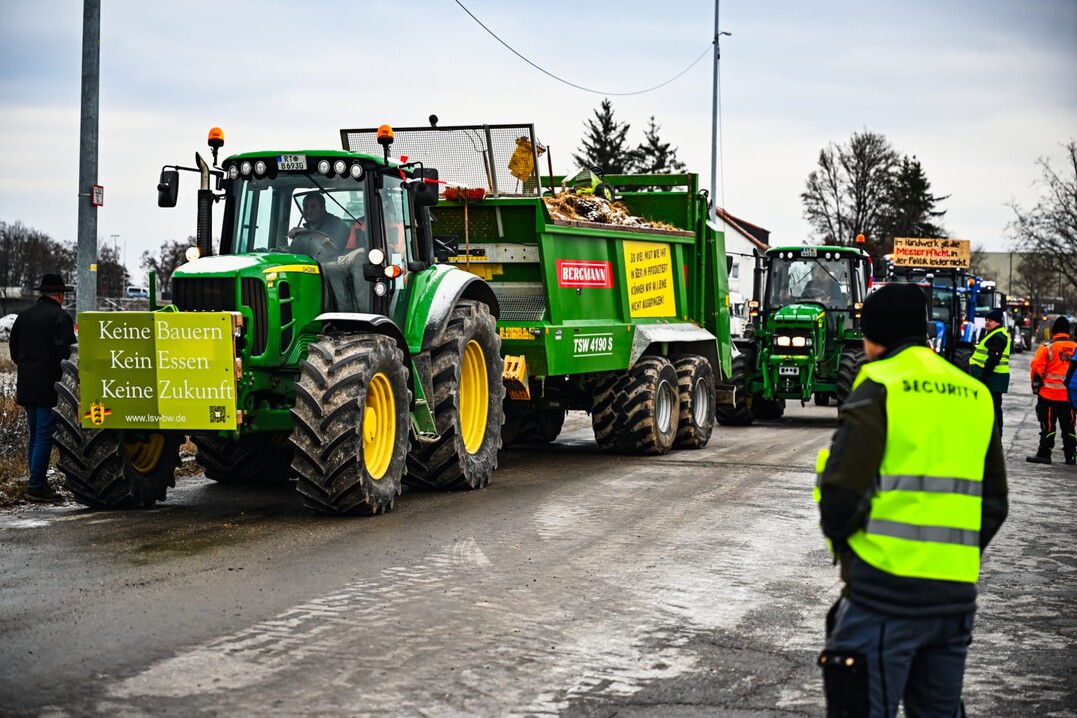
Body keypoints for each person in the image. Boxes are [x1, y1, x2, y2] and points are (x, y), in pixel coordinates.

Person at [814, 282, 1008, 717]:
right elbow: (995, 503)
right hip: (954, 601)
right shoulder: (974, 394)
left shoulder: (880, 384)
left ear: (874, 335)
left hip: (883, 597)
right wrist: (949, 558)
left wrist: (856, 562)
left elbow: (842, 494)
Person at [9, 274, 77, 502]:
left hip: (27, 383)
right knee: (44, 434)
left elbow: (14, 352)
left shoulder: (24, 316)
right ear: (59, 295)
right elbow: (66, 356)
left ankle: (35, 480)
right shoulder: (61, 318)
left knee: (35, 433)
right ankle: (37, 485)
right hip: (49, 384)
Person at [1027, 315, 1076, 465]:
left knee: (1048, 426)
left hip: (1048, 395)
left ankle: (1044, 454)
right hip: (1069, 397)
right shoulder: (1075, 348)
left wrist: (1036, 389)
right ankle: (1071, 456)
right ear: (1068, 331)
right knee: (1069, 426)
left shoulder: (1047, 347)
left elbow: (1036, 371)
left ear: (1054, 330)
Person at [970, 307, 1011, 432]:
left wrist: (983, 377)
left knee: (993, 410)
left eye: (991, 320)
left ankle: (995, 437)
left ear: (998, 322)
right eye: (987, 319)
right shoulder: (993, 334)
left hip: (993, 380)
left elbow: (993, 359)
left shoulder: (998, 336)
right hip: (992, 379)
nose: (987, 322)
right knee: (993, 409)